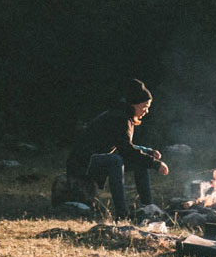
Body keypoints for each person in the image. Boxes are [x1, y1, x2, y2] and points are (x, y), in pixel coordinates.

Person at [66, 78, 169, 221]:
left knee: (140, 161)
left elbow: (123, 145)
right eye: (145, 106)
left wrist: (148, 151)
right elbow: (125, 150)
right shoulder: (120, 118)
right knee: (116, 160)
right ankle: (122, 214)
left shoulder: (123, 115)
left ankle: (148, 207)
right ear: (135, 104)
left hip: (96, 159)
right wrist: (155, 163)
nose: (147, 111)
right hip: (82, 163)